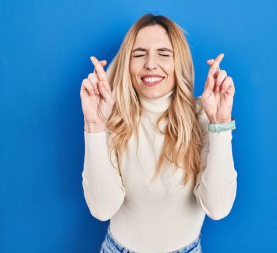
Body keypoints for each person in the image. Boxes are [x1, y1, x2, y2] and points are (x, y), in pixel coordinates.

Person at [80, 13, 238, 253]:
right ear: (127, 64)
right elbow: (102, 209)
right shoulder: (111, 117)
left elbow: (218, 208)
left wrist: (220, 124)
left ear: (179, 62)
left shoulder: (203, 116)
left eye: (164, 54)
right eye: (139, 54)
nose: (150, 63)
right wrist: (94, 126)